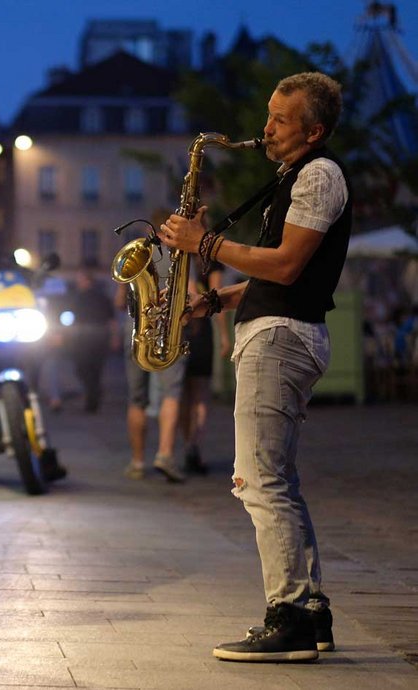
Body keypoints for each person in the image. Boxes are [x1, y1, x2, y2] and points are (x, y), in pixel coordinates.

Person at [160, 72, 350, 662]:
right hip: (274, 333)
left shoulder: (318, 174)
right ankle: (310, 611)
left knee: (258, 481)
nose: (264, 128)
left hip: (281, 340)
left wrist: (205, 246)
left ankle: (287, 614)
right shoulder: (294, 177)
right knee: (276, 481)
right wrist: (218, 297)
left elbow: (290, 266)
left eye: (280, 120)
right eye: (268, 115)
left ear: (313, 130)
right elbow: (276, 270)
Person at [116, 278, 187, 483]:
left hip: (137, 325)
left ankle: (137, 462)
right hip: (170, 326)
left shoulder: (135, 249)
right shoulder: (182, 249)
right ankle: (165, 455)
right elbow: (189, 290)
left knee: (137, 397)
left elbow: (120, 301)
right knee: (171, 393)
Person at [180, 258, 232, 474]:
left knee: (180, 394)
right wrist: (224, 335)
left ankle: (187, 444)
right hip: (200, 332)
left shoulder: (175, 253)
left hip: (178, 328)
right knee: (200, 393)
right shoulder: (210, 259)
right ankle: (194, 445)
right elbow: (216, 298)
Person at [67, 264, 118, 413]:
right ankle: (93, 396)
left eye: (80, 279)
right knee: (91, 370)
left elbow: (111, 319)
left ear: (87, 281)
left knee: (87, 369)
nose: (78, 282)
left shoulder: (82, 298)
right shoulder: (96, 297)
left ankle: (92, 399)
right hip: (97, 337)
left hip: (88, 338)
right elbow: (112, 320)